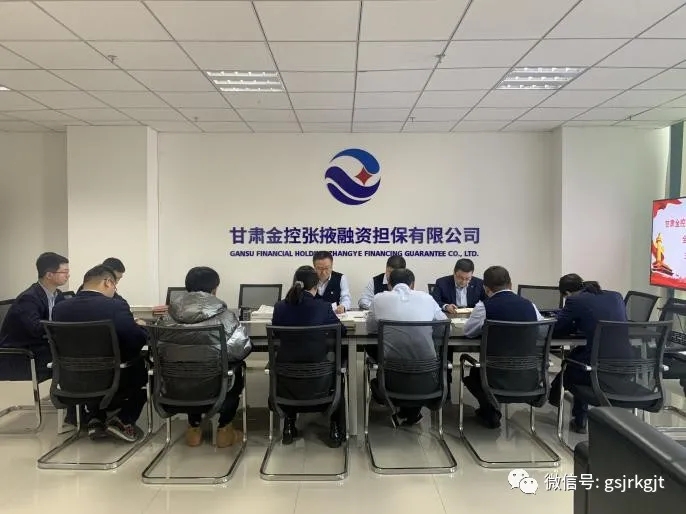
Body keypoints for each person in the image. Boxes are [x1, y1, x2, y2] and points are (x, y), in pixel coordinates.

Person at [52, 265, 148, 442]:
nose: (114, 291)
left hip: (70, 380)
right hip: (112, 380)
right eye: (114, 287)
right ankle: (123, 421)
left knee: (94, 370)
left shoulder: (60, 308)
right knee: (142, 371)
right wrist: (142, 328)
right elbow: (134, 341)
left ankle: (95, 418)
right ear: (107, 282)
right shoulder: (115, 306)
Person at [159, 266, 251, 448]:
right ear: (214, 289)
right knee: (235, 369)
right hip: (216, 389)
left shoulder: (167, 318)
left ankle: (194, 428)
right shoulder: (225, 316)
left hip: (174, 389)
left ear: (187, 288)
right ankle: (224, 429)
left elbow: (160, 350)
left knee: (189, 368)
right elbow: (241, 349)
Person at [271, 265, 347, 447]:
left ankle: (289, 425)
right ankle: (335, 428)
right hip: (320, 377)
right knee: (340, 368)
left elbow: (277, 334)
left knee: (292, 364)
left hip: (287, 377)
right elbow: (341, 331)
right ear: (316, 286)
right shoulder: (323, 307)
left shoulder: (280, 307)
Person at [462, 266, 544, 428]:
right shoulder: (530, 305)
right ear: (511, 284)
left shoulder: (484, 307)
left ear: (486, 288)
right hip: (528, 378)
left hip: (494, 379)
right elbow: (541, 331)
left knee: (474, 374)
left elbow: (469, 332)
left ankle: (490, 411)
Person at [366, 268, 448, 425]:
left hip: (390, 382)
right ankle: (410, 412)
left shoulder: (379, 299)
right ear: (413, 284)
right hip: (428, 380)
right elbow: (443, 325)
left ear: (389, 285)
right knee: (416, 353)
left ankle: (407, 412)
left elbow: (371, 329)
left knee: (376, 350)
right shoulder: (427, 298)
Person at [548, 274, 628, 434]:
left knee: (572, 365)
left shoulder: (575, 300)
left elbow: (557, 329)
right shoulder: (616, 296)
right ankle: (557, 397)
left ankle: (579, 418)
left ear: (567, 293)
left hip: (594, 368)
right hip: (625, 366)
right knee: (578, 356)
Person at [0, 252, 69, 381]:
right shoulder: (28, 298)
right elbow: (36, 329)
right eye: (64, 272)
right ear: (49, 275)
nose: (68, 275)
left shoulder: (57, 295)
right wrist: (61, 328)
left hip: (41, 346)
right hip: (22, 352)